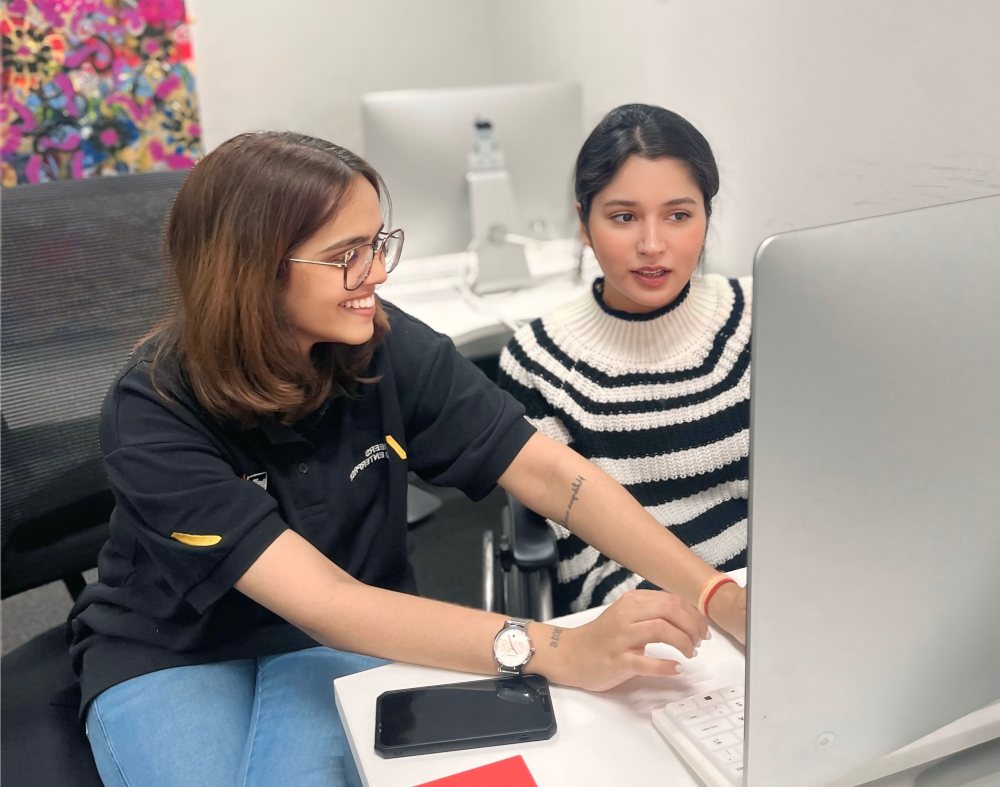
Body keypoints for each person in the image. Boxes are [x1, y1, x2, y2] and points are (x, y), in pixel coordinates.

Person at [68, 130, 746, 787]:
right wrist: (562, 650)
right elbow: (327, 599)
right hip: (176, 646)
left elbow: (548, 473)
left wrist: (714, 592)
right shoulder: (152, 409)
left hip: (336, 634)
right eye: (349, 255)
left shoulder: (381, 345)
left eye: (377, 243)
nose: (379, 273)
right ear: (252, 271)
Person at [498, 104, 751, 616]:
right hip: (646, 620)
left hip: (777, 603)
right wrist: (699, 616)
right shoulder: (536, 360)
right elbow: (581, 553)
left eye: (679, 215)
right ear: (584, 225)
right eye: (623, 217)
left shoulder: (756, 317)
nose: (653, 245)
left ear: (707, 217)